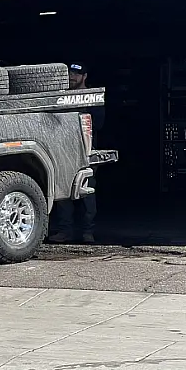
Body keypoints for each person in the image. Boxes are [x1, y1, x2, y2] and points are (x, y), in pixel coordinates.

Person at [48, 63, 103, 244]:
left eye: (76, 73)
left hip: (85, 151)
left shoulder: (93, 97)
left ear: (84, 76)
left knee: (87, 192)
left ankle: (88, 232)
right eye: (70, 73)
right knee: (63, 192)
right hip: (63, 150)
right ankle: (66, 231)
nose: (72, 76)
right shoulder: (61, 97)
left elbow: (99, 124)